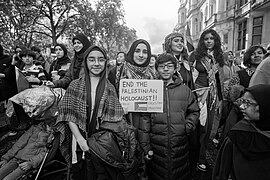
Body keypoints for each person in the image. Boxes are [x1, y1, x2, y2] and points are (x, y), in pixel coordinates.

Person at [55, 45, 137, 180]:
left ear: (105, 62)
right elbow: (68, 114)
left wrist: (120, 110)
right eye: (92, 60)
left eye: (101, 60)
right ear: (86, 62)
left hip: (100, 146)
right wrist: (80, 139)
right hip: (79, 142)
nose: (96, 63)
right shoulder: (75, 85)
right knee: (80, 173)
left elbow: (115, 117)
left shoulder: (109, 87)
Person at [138, 53, 199, 180]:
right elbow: (145, 118)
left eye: (169, 66)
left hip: (179, 144)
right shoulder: (150, 90)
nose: (165, 69)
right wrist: (145, 146)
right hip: (157, 145)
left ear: (175, 68)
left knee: (180, 173)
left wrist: (187, 127)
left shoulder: (185, 90)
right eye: (161, 66)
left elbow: (194, 111)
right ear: (157, 69)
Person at [212, 84, 270, 180]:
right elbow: (221, 172)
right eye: (242, 101)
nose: (242, 107)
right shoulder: (238, 135)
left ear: (265, 105)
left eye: (248, 103)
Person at [188, 29, 225, 172]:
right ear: (202, 41)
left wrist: (220, 100)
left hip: (212, 98)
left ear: (216, 41)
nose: (209, 41)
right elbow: (189, 77)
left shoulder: (219, 58)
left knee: (207, 128)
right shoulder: (195, 56)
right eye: (206, 38)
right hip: (196, 96)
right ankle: (190, 156)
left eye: (212, 38)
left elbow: (220, 81)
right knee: (194, 126)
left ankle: (201, 158)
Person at [220, 45, 266, 143]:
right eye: (253, 54)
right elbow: (228, 94)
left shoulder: (267, 74)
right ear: (248, 57)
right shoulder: (240, 74)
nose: (257, 56)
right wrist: (245, 107)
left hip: (264, 114)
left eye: (259, 53)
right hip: (241, 114)